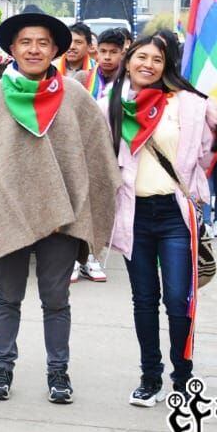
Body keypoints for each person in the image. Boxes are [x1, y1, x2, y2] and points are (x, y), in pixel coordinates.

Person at [0, 6, 120, 403]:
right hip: (6, 215)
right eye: (26, 42)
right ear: (13, 48)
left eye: (43, 43)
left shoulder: (74, 96)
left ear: (56, 48)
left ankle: (59, 373)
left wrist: (71, 208)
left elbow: (94, 158)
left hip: (61, 222)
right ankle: (1, 368)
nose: (35, 50)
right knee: (7, 296)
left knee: (56, 300)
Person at [104, 34, 217, 406]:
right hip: (133, 214)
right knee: (143, 299)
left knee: (177, 298)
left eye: (157, 59)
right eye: (141, 57)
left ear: (166, 66)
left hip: (173, 215)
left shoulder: (188, 105)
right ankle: (149, 378)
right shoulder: (110, 102)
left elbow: (206, 155)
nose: (148, 64)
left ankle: (182, 377)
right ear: (129, 58)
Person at [70, 27, 129, 283]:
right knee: (80, 205)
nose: (107, 57)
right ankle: (74, 258)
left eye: (113, 53)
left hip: (115, 152)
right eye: (103, 51)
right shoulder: (83, 79)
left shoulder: (129, 83)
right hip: (83, 151)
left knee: (102, 206)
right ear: (96, 51)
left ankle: (93, 255)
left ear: (123, 54)